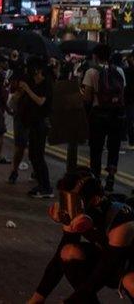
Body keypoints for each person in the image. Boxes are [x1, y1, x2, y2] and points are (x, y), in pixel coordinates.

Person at [28, 169, 134, 303]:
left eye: (74, 200)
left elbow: (104, 271)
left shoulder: (121, 222)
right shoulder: (75, 213)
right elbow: (58, 262)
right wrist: (37, 298)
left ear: (95, 200)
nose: (68, 207)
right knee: (68, 253)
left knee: (131, 282)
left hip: (125, 265)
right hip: (113, 263)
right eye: (65, 199)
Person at [82, 44, 127, 192]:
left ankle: (96, 179)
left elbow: (88, 98)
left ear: (95, 56)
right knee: (113, 148)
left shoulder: (91, 72)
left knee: (96, 148)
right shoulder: (119, 70)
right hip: (116, 115)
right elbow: (122, 94)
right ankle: (111, 179)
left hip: (98, 114)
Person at [20, 57, 54, 198]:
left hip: (41, 124)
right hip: (32, 123)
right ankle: (41, 184)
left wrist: (27, 89)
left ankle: (46, 187)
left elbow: (40, 101)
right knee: (33, 154)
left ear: (39, 70)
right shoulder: (33, 83)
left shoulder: (46, 84)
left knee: (38, 155)